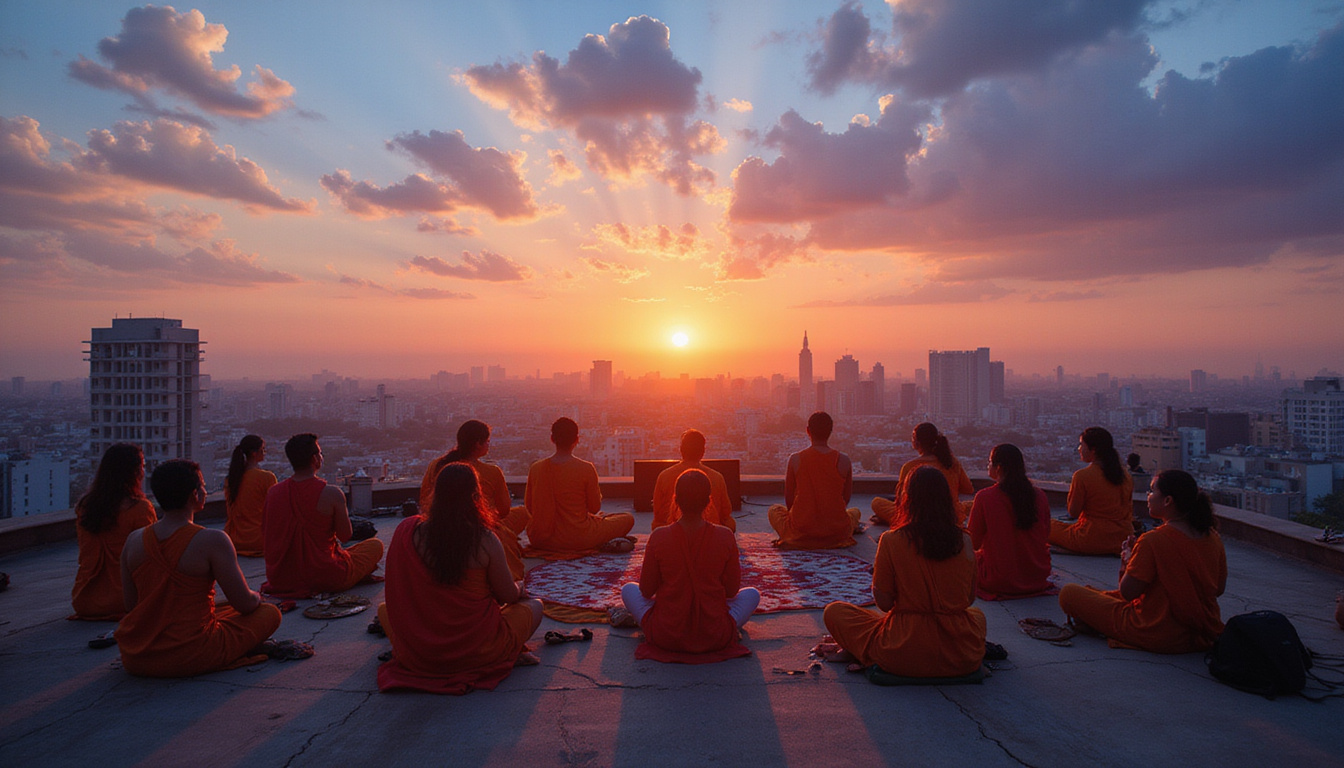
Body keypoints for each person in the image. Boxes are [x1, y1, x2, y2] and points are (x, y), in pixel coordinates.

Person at [378, 462, 544, 694]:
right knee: (536, 606)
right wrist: (520, 587)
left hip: (421, 653)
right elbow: (508, 596)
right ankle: (503, 654)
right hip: (476, 649)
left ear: (436, 494)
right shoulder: (485, 539)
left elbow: (398, 591)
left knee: (385, 610)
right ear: (476, 496)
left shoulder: (408, 530)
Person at [117, 460, 282, 677]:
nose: (205, 490)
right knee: (270, 613)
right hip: (192, 653)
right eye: (203, 486)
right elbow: (244, 603)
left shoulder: (133, 540)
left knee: (220, 608)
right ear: (195, 495)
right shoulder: (213, 540)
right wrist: (257, 597)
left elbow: (131, 605)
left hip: (138, 656)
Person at [823, 467, 986, 677]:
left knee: (834, 612)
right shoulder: (964, 540)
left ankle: (860, 649)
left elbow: (884, 603)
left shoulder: (891, 540)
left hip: (902, 652)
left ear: (907, 499)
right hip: (961, 655)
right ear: (947, 500)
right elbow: (969, 599)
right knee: (977, 616)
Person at [1059, 470, 1227, 653]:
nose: (1148, 496)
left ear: (1167, 501)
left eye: (1152, 491)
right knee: (1094, 593)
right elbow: (1218, 589)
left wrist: (1128, 559)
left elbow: (1128, 593)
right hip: (1200, 632)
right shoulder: (1212, 537)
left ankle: (1092, 621)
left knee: (1069, 593)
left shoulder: (1153, 540)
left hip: (1155, 631)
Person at [622, 469, 759, 664]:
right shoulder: (725, 535)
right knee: (752, 594)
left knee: (628, 589)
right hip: (715, 633)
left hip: (666, 634)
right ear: (708, 500)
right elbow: (731, 592)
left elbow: (645, 590)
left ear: (676, 500)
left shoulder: (659, 537)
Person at [262, 433, 384, 597]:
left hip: (282, 579)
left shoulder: (274, 493)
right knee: (375, 546)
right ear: (314, 459)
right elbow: (346, 535)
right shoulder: (331, 493)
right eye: (320, 453)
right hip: (327, 576)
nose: (321, 456)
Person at [422, 420, 529, 579]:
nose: (488, 444)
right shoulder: (491, 472)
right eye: (487, 441)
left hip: (440, 524)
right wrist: (486, 519)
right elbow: (504, 510)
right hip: (481, 526)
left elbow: (424, 502)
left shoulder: (436, 465)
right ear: (477, 444)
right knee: (523, 512)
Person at [523, 418, 635, 558]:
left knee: (601, 518)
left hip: (541, 539)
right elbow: (594, 508)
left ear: (552, 439)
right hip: (578, 539)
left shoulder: (536, 468)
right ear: (577, 440)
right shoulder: (585, 468)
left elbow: (530, 507)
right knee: (627, 518)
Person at [71, 443, 157, 621]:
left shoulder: (84, 506)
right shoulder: (140, 508)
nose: (143, 471)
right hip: (127, 599)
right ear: (134, 472)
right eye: (142, 465)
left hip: (85, 599)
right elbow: (152, 556)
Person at [968, 444, 1053, 600]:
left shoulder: (985, 497)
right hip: (1037, 577)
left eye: (989, 462)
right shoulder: (1039, 495)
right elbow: (1045, 534)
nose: (988, 465)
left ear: (999, 467)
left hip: (998, 581)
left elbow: (973, 543)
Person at [768, 412, 860, 550]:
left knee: (774, 510)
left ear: (808, 431)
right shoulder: (843, 460)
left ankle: (795, 534)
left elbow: (789, 500)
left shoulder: (795, 459)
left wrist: (803, 517)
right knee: (855, 512)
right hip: (836, 532)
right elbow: (846, 498)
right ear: (830, 431)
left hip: (801, 532)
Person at [1049, 427, 1135, 555]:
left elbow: (1073, 512)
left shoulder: (1082, 476)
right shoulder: (1125, 475)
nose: (1079, 449)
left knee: (1045, 524)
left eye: (1081, 445)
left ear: (1093, 449)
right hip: (1122, 538)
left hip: (1090, 539)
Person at [871, 422, 974, 528]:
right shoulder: (952, 462)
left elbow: (901, 501)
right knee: (972, 503)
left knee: (877, 503)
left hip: (918, 519)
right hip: (951, 516)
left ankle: (893, 520)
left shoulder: (910, 467)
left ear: (917, 442)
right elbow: (968, 489)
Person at [652, 429, 736, 532]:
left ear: (681, 450)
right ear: (702, 452)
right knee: (730, 524)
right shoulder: (717, 477)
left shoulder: (664, 476)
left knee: (656, 526)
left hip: (672, 533)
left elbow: (657, 513)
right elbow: (726, 514)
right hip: (709, 534)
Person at [223, 435, 276, 557]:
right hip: (260, 541)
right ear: (254, 453)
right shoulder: (266, 478)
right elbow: (274, 511)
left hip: (233, 541)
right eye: (263, 449)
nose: (265, 452)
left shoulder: (231, 479)